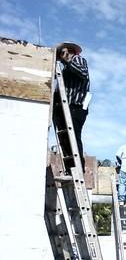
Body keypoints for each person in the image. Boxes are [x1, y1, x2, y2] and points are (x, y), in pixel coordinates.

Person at [53, 41, 90, 173]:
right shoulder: (65, 68)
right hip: (64, 107)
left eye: (63, 53)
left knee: (73, 136)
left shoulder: (78, 60)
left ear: (69, 52)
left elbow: (83, 72)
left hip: (76, 107)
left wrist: (67, 59)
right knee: (64, 138)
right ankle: (70, 169)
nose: (61, 58)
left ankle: (77, 168)